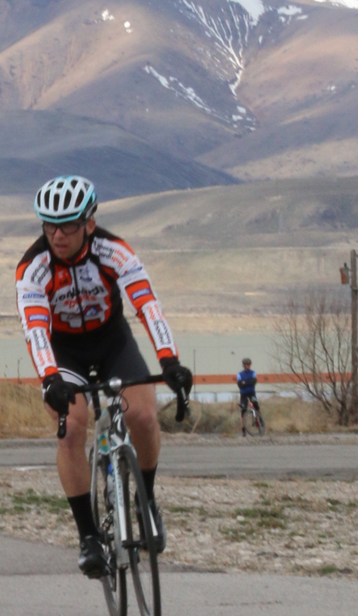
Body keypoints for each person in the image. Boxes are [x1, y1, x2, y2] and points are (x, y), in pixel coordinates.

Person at [15, 175, 194, 577]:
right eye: (48, 225)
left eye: (68, 226)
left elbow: (148, 306)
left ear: (90, 224)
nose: (57, 235)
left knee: (144, 417)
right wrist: (49, 378)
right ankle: (89, 537)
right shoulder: (33, 268)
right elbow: (35, 328)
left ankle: (145, 501)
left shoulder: (114, 252)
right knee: (72, 427)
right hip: (64, 353)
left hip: (112, 341)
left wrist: (169, 361)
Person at [237, 358, 263, 434]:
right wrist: (248, 382)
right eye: (246, 364)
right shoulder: (240, 374)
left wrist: (245, 382)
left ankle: (260, 420)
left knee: (256, 406)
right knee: (243, 411)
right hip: (243, 394)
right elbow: (240, 385)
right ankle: (243, 430)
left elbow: (253, 382)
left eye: (249, 364)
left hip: (252, 393)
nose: (248, 366)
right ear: (243, 365)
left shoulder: (253, 373)